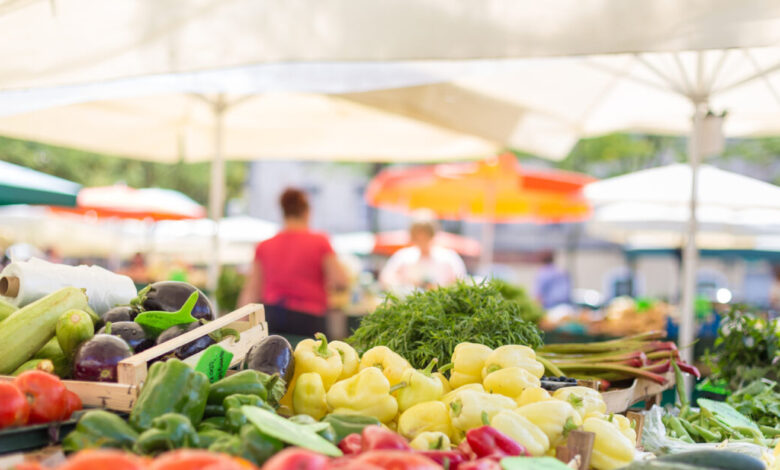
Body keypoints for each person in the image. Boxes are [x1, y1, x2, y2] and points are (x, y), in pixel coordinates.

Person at [238, 188, 347, 337]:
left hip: (273, 316)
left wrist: (241, 326)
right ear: (307, 212)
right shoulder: (320, 242)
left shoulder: (265, 246)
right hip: (309, 319)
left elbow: (251, 291)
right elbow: (340, 281)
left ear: (283, 212)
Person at [379, 210, 467, 295]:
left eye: (425, 235)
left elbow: (460, 282)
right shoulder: (403, 257)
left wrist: (440, 288)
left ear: (432, 234)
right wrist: (405, 284)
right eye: (418, 235)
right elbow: (386, 278)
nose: (422, 239)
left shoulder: (449, 258)